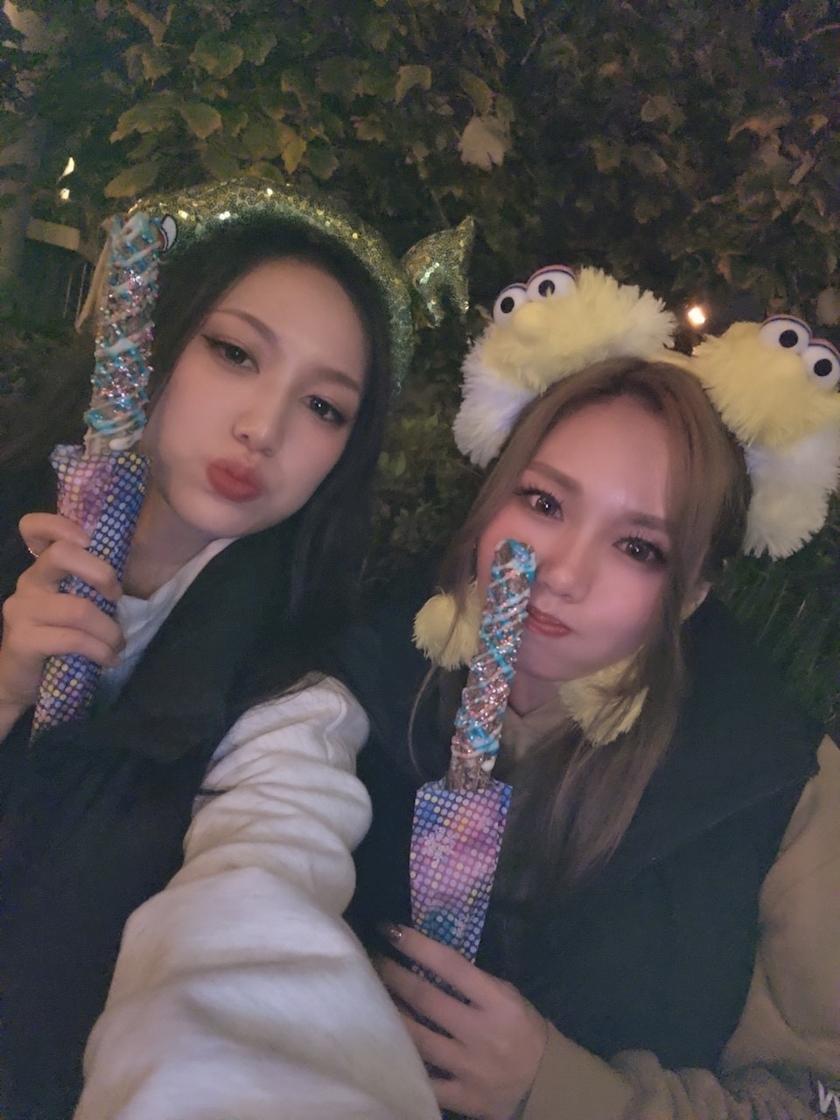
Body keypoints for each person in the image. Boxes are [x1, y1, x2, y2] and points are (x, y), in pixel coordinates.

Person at [0, 180, 444, 1120]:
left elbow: (264, 902)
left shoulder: (299, 699)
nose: (263, 427)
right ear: (149, 337)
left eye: (323, 407)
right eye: (235, 353)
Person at [351, 286, 840, 1119]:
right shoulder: (353, 676)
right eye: (544, 503)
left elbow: (813, 1095)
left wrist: (562, 1090)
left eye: (639, 547)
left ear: (693, 594)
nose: (563, 572)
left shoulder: (780, 784)